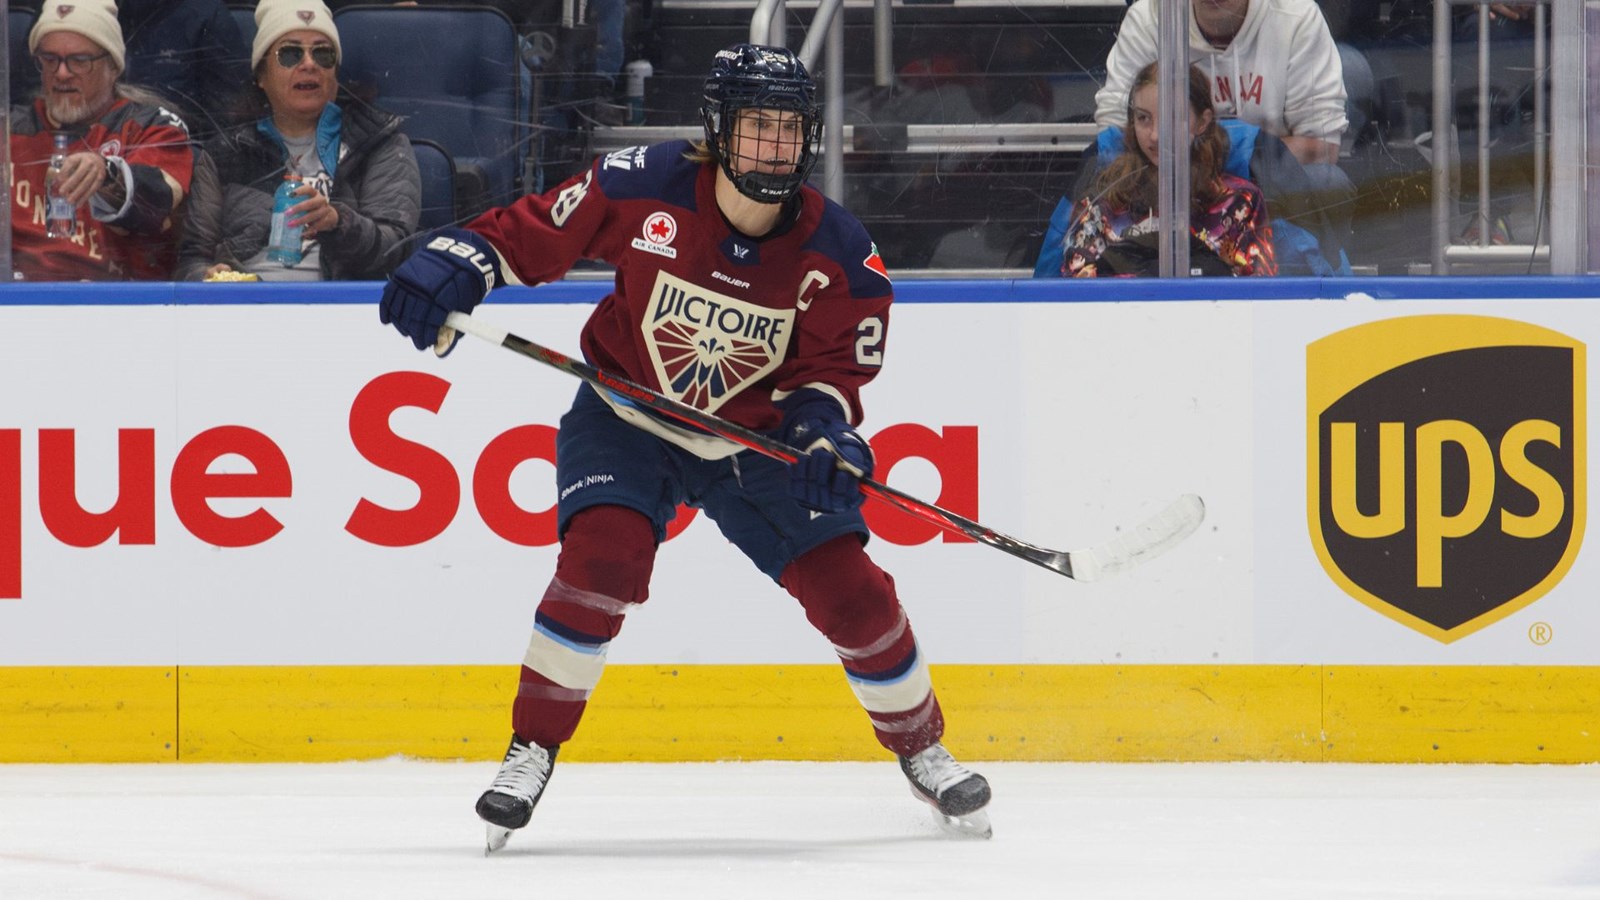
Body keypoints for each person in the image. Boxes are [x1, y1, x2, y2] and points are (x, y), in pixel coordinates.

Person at [377, 43, 993, 848]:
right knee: (601, 560)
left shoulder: (843, 252)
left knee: (853, 593)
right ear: (718, 131)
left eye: (788, 130)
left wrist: (825, 437)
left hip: (754, 443)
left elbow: (831, 376)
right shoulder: (642, 184)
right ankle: (531, 747)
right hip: (624, 418)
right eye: (756, 127)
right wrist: (460, 261)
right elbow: (531, 233)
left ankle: (924, 748)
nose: (773, 147)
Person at [176, 0, 420, 282]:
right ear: (261, 76)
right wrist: (204, 275)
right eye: (290, 54)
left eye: (323, 55)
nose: (309, 64)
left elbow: (396, 249)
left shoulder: (379, 142)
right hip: (243, 308)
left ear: (335, 75)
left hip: (344, 308)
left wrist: (338, 222)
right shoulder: (225, 152)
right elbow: (192, 258)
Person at [8, 0, 196, 281]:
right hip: (16, 302)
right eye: (49, 59)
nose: (61, 73)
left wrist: (109, 174)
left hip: (116, 303)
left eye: (80, 60)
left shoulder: (151, 126)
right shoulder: (8, 130)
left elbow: (158, 202)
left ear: (113, 65)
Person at [1061, 63, 1277, 277]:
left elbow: (1259, 297)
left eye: (1171, 118)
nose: (1155, 135)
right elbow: (1076, 294)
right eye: (1143, 118)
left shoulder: (1240, 202)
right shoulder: (1103, 200)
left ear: (1202, 122)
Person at [1095, 0, 1347, 170]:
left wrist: (1228, 156)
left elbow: (1323, 149)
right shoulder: (1149, 18)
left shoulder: (1296, 16)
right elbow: (1113, 135)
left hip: (1270, 192)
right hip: (1165, 189)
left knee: (1325, 181)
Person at [117, 0, 252, 142]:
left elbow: (232, 115)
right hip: (109, 143)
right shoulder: (107, 11)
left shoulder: (205, 15)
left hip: (180, 146)